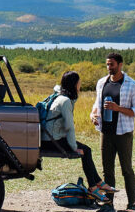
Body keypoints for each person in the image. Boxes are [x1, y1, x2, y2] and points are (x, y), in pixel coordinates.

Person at [43, 71, 117, 202]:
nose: (80, 85)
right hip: (53, 140)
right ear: (74, 84)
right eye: (79, 82)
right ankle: (94, 187)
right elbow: (69, 128)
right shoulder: (65, 101)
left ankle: (97, 183)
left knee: (87, 149)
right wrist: (73, 147)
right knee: (86, 151)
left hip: (49, 137)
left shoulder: (58, 96)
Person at [90, 52, 135, 212]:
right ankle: (109, 204)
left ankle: (131, 205)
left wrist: (117, 108)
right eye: (107, 64)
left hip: (123, 133)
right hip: (105, 133)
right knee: (107, 170)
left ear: (120, 65)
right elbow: (96, 104)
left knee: (126, 169)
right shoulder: (101, 83)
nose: (109, 67)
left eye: (112, 64)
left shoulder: (132, 85)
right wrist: (93, 115)